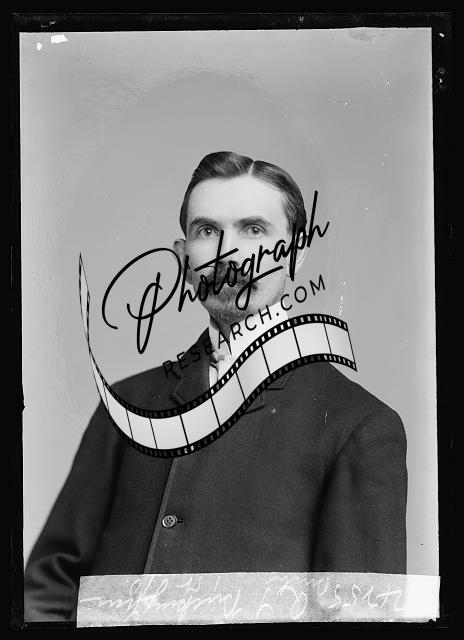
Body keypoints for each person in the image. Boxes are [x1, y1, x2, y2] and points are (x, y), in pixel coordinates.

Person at [24, 151, 407, 622]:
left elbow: (362, 618)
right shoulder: (126, 403)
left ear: (296, 254)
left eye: (254, 229)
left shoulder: (360, 424)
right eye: (207, 231)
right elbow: (45, 590)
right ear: (184, 256)